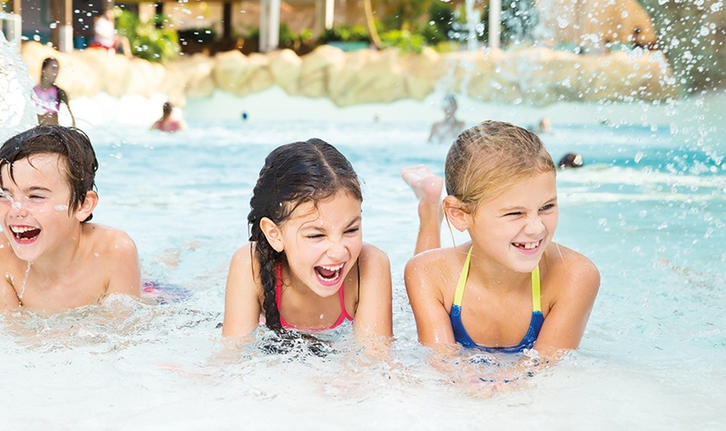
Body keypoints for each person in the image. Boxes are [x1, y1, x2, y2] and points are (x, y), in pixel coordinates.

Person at [404, 121, 599, 366]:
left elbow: (545, 372)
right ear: (459, 214)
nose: (537, 228)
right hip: (441, 270)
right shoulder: (426, 273)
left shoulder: (575, 275)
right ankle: (429, 207)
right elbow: (442, 366)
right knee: (426, 270)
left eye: (546, 206)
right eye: (515, 213)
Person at [222, 138, 392, 346]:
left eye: (351, 230)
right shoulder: (250, 264)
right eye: (316, 235)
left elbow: (375, 360)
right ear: (275, 235)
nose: (338, 252)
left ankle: (427, 211)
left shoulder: (370, 264)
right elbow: (232, 359)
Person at [0, 125, 141, 312]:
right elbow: (11, 328)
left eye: (35, 196)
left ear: (83, 205)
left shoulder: (114, 250)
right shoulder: (0, 251)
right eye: (4, 195)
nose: (16, 210)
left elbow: (123, 333)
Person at [33, 57, 75, 127]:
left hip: (54, 135)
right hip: (37, 135)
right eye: (53, 68)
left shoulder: (59, 93)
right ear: (44, 70)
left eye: (57, 69)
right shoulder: (33, 92)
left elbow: (71, 120)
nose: (55, 73)